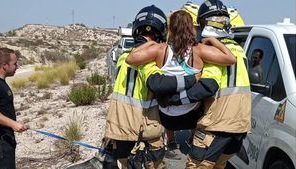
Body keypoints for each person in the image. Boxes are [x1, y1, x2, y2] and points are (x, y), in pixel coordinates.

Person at [125, 10, 235, 161]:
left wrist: (150, 42)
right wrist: (213, 41)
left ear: (170, 30)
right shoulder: (199, 50)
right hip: (191, 115)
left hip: (166, 116)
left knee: (164, 96)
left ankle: (171, 141)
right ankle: (192, 138)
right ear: (191, 28)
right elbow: (231, 59)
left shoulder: (160, 49)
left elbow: (130, 59)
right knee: (202, 95)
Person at [103, 5, 201, 169]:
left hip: (117, 126)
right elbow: (158, 83)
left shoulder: (124, 57)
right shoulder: (146, 61)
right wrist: (193, 79)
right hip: (142, 128)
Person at [163, 0, 251, 168]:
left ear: (204, 24)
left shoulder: (213, 50)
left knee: (195, 165)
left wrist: (174, 100)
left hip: (217, 124)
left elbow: (207, 86)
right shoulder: (238, 50)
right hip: (240, 126)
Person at [0, 47, 28, 169]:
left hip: (7, 139)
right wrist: (13, 124)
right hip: (1, 144)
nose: (18, 66)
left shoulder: (2, 83)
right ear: (4, 65)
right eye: (14, 63)